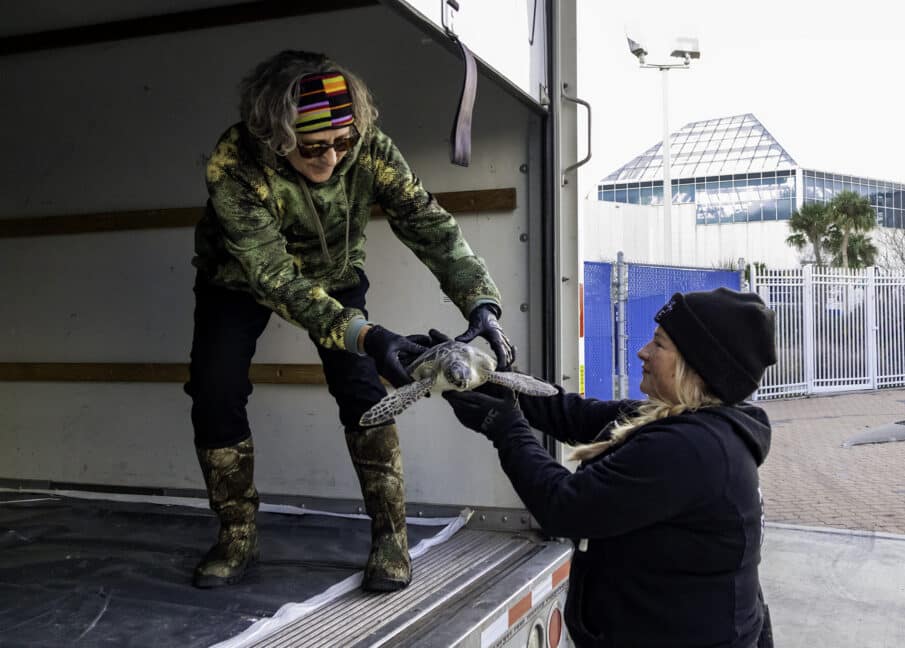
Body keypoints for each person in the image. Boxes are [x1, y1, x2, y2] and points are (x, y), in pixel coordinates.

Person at [184, 50, 513, 592]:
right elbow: (273, 277)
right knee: (215, 392)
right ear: (274, 134)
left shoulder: (369, 149)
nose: (333, 159)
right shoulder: (234, 164)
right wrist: (370, 334)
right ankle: (237, 535)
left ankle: (390, 536)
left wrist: (481, 302)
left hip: (335, 273)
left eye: (343, 142)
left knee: (362, 389)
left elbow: (426, 222)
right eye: (314, 148)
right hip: (240, 278)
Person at [443, 287, 777, 647]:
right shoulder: (687, 421)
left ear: (696, 366)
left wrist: (506, 429)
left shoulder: (692, 449)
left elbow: (564, 506)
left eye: (659, 344)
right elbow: (570, 414)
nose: (643, 351)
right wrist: (494, 376)